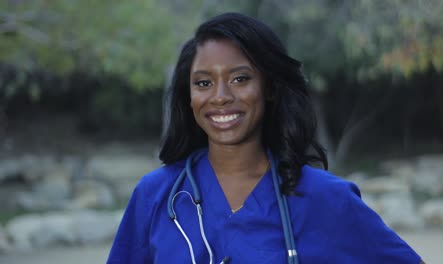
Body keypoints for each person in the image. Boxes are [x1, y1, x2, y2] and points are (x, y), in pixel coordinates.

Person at [107, 13, 424, 263]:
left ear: (270, 87)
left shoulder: (327, 199)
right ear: (187, 96)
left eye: (240, 78)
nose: (220, 96)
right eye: (203, 83)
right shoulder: (155, 196)